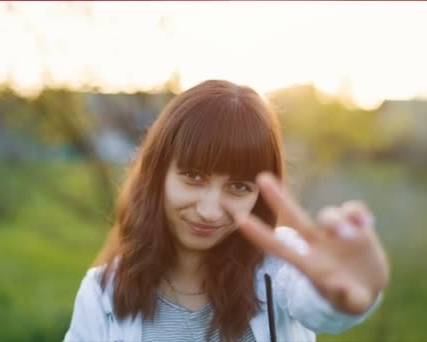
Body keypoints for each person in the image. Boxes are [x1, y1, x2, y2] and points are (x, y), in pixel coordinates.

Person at [63, 80, 389, 342]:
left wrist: (343, 297)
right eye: (193, 177)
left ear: (259, 195)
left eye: (238, 187)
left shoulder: (279, 267)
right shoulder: (102, 292)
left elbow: (318, 305)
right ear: (157, 173)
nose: (208, 211)